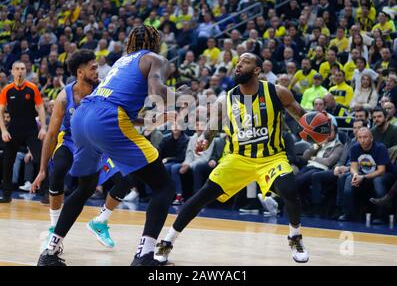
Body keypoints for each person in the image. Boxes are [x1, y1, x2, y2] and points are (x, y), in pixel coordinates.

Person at [37, 25, 187, 266]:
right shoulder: (153, 58)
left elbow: (120, 105)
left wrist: (153, 118)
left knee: (85, 188)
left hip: (83, 116)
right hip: (107, 118)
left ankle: (49, 253)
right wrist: (180, 95)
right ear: (155, 42)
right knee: (165, 186)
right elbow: (157, 91)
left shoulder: (122, 61)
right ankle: (145, 255)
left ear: (130, 42)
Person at [155, 53, 312, 264]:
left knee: (290, 189)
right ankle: (167, 241)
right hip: (238, 158)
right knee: (201, 197)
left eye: (245, 62)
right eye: (237, 62)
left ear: (257, 70)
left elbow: (302, 117)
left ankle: (295, 236)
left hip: (271, 158)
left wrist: (318, 127)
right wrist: (203, 139)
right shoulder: (226, 98)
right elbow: (213, 125)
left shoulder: (277, 92)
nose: (238, 65)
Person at [30, 50, 133, 250]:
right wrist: (42, 170)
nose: (97, 71)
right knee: (58, 168)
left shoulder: (104, 90)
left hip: (97, 143)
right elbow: (51, 135)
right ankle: (54, 228)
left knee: (128, 179)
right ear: (80, 72)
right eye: (92, 68)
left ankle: (100, 221)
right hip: (70, 141)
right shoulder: (64, 97)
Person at [0, 61, 47, 203]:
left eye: (22, 69)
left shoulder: (32, 88)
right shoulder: (6, 90)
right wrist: (3, 130)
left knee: (40, 159)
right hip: (13, 129)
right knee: (8, 161)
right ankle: (6, 194)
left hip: (31, 128)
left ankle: (46, 193)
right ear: (12, 72)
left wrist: (43, 127)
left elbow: (40, 108)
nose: (20, 71)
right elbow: (0, 111)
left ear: (25, 71)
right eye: (17, 69)